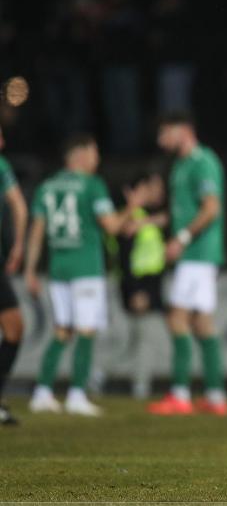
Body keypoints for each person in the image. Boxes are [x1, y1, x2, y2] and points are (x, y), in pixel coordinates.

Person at [25, 133, 141, 416]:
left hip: (58, 268)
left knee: (62, 330)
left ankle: (42, 392)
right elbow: (111, 226)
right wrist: (132, 207)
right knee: (86, 331)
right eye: (94, 152)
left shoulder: (47, 187)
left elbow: (37, 231)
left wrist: (29, 270)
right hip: (86, 268)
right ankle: (77, 395)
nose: (97, 159)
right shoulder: (92, 185)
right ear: (80, 154)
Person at [147, 112, 227, 416]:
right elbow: (183, 213)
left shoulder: (202, 161)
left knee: (177, 318)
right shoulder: (180, 166)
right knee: (202, 322)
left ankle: (180, 394)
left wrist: (180, 239)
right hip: (197, 254)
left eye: (165, 132)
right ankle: (216, 396)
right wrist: (148, 223)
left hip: (198, 254)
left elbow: (211, 209)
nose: (161, 140)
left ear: (184, 130)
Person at [113, 172, 167, 398]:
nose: (160, 192)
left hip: (151, 285)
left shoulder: (144, 217)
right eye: (154, 187)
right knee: (146, 339)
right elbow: (124, 256)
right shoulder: (128, 218)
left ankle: (98, 374)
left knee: (135, 342)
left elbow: (167, 219)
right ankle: (140, 387)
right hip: (137, 285)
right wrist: (135, 289)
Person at [0, 125, 28, 425]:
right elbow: (19, 206)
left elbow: (18, 206)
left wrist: (17, 246)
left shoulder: (2, 164)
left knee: (14, 329)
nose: (3, 141)